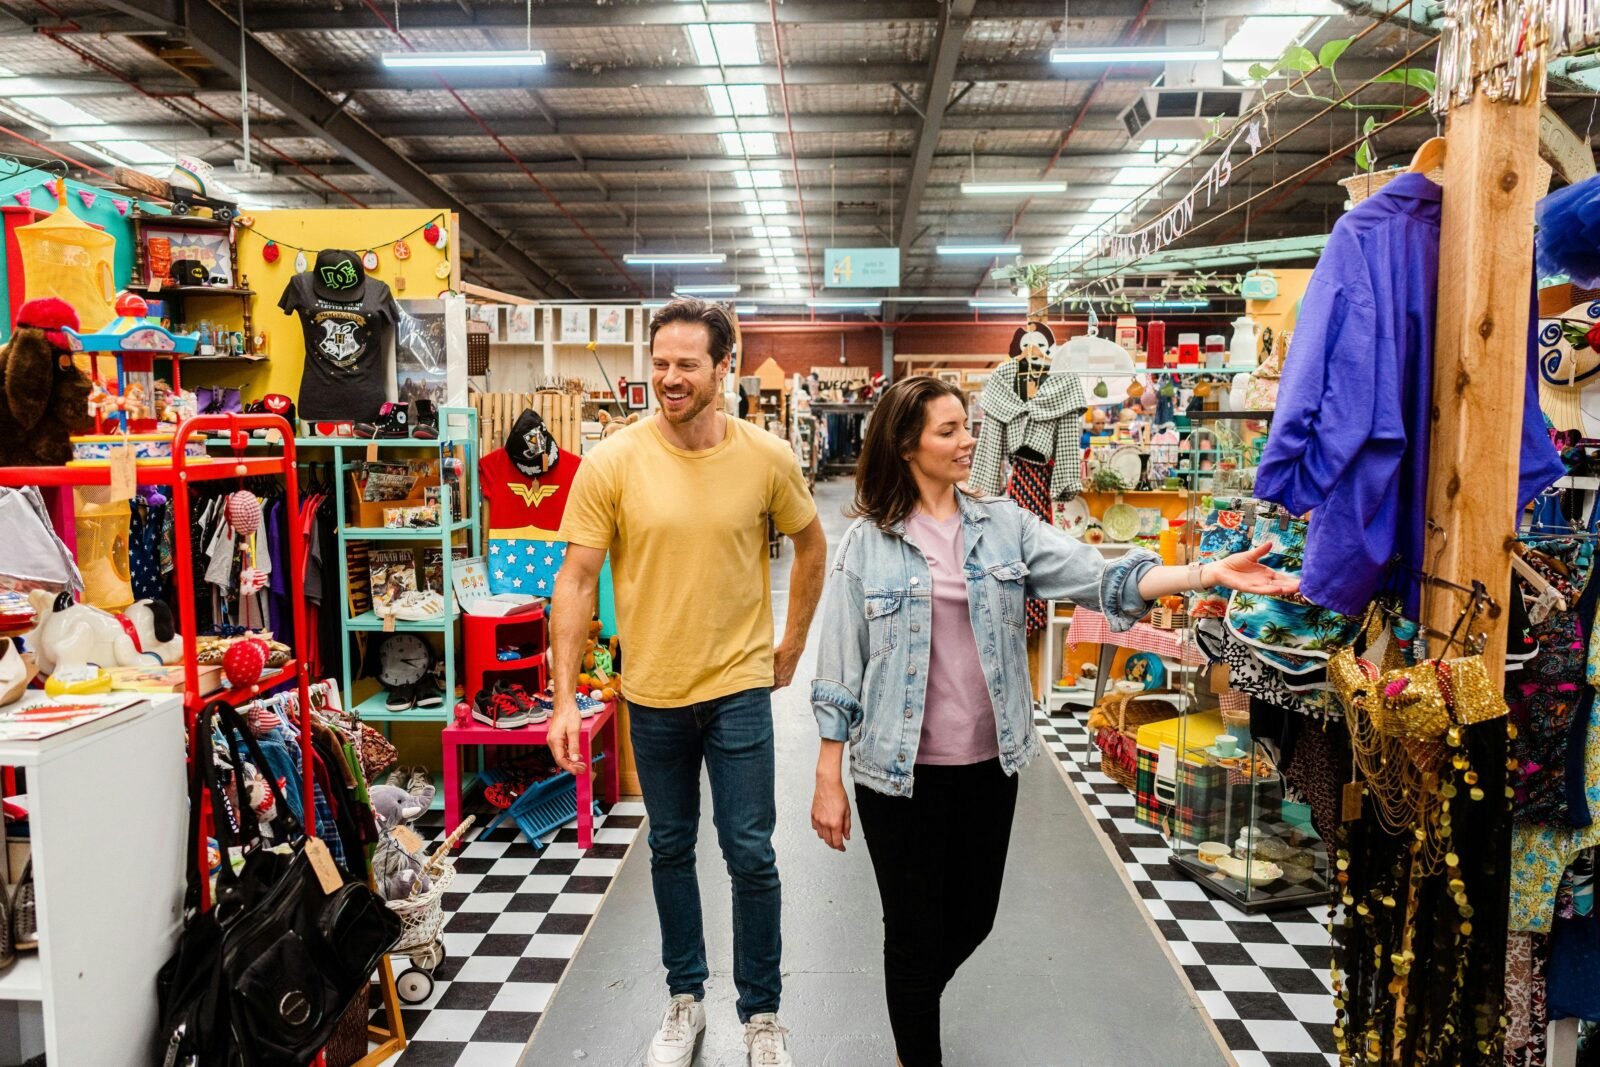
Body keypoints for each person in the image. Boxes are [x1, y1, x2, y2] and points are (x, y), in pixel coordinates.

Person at [808, 376, 1298, 1067]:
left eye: (966, 425)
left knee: (972, 917)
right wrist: (827, 770)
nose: (968, 440)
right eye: (948, 430)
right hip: (896, 774)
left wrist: (1206, 573)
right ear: (906, 444)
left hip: (987, 764)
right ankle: (917, 1048)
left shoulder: (1003, 524)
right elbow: (838, 663)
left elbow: (1099, 576)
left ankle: (913, 995)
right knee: (912, 931)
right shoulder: (868, 543)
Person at [548, 297, 827, 1067]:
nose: (668, 379)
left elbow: (812, 546)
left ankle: (762, 1015)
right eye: (660, 363)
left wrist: (793, 642)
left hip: (738, 686)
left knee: (751, 854)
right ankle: (684, 999)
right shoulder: (614, 461)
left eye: (686, 365)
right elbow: (574, 581)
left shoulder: (767, 456)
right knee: (669, 848)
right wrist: (566, 696)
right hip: (653, 690)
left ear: (723, 368)